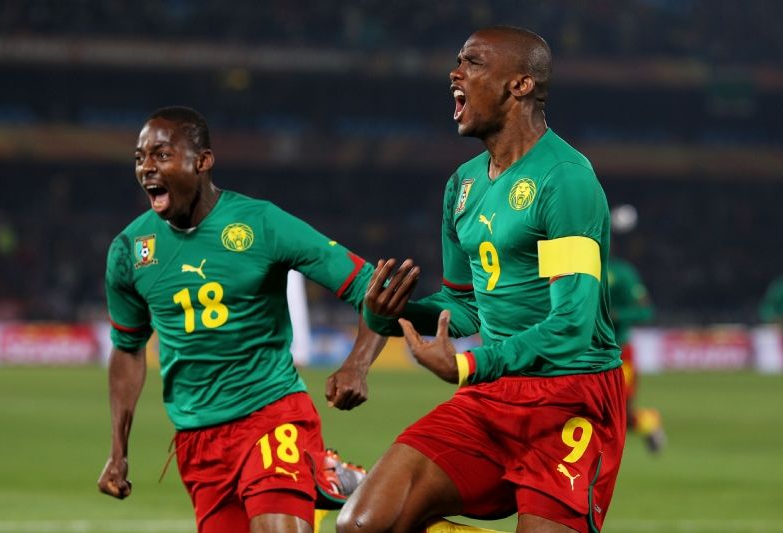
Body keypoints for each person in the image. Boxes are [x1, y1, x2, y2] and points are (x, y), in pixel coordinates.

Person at [337, 26, 625, 533]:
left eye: (472, 62)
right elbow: (466, 304)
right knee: (363, 524)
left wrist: (470, 364)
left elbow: (573, 325)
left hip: (570, 395)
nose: (455, 73)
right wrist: (396, 312)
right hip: (495, 393)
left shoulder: (565, 179)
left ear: (521, 84)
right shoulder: (463, 185)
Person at [98, 106, 383, 533]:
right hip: (198, 442)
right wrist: (118, 451)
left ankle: (310, 469)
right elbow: (127, 348)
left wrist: (357, 364)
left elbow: (369, 286)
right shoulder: (129, 251)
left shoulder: (260, 223)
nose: (146, 168)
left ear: (203, 161)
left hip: (271, 415)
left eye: (161, 155)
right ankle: (318, 472)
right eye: (140, 158)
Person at [608, 205, 665, 454]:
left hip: (620, 351)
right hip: (588, 352)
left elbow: (646, 311)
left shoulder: (623, 273)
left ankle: (649, 422)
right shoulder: (581, 268)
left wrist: (618, 315)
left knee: (621, 411)